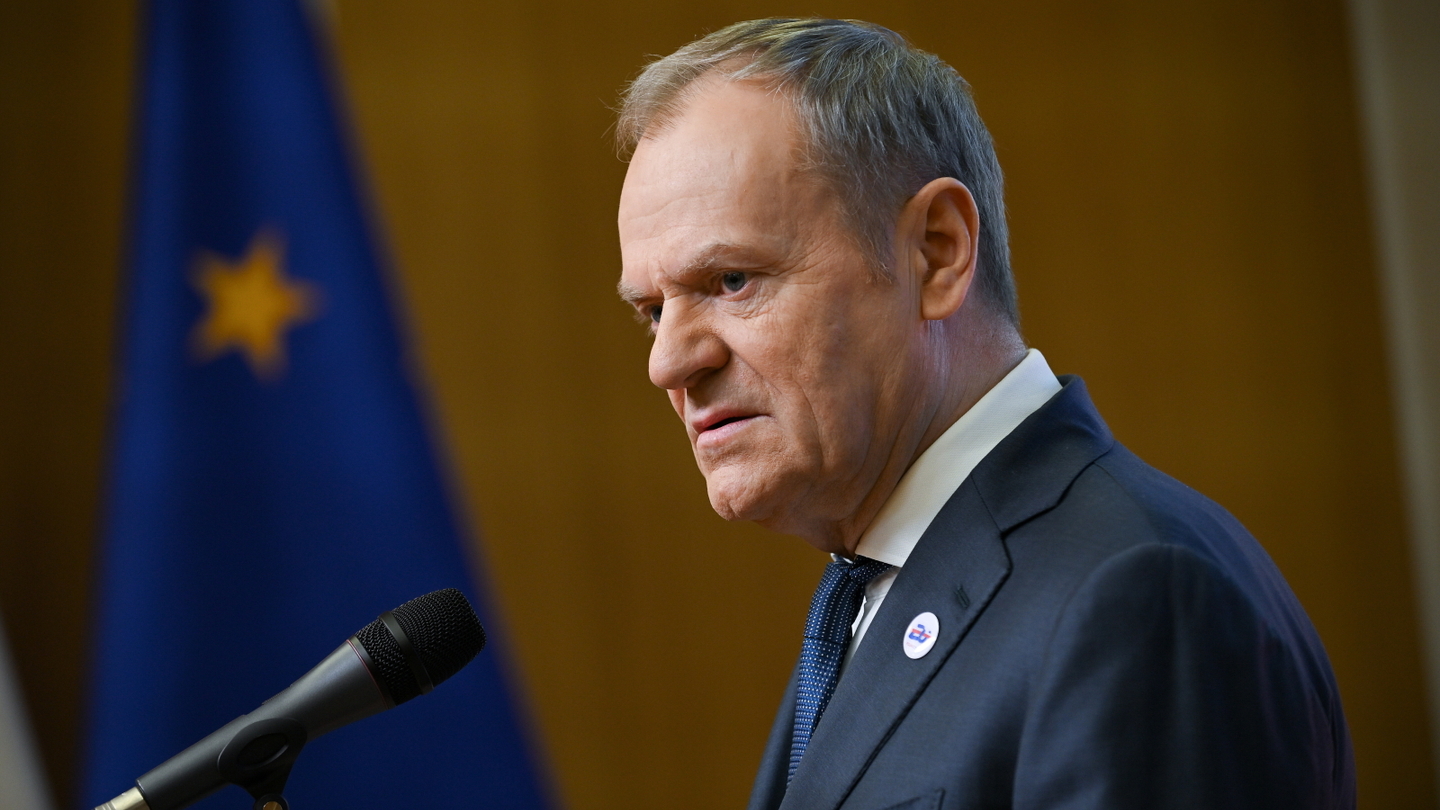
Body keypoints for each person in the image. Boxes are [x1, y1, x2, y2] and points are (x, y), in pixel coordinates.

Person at [614, 17, 1354, 810]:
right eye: (653, 311)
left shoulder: (1139, 597)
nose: (669, 363)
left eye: (731, 281)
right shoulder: (868, 596)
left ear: (936, 252)